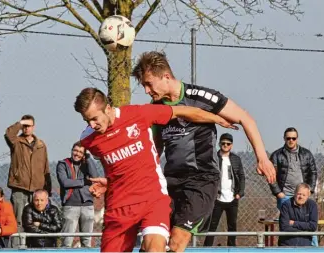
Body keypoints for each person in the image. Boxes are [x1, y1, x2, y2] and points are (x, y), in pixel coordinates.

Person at [131, 51, 276, 252]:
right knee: (150, 244)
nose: (146, 90)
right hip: (170, 181)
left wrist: (262, 158)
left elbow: (245, 118)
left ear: (165, 77)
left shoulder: (201, 97)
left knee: (176, 241)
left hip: (201, 180)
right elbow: (155, 147)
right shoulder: (157, 107)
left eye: (149, 84)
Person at [74, 87, 237, 252]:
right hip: (120, 207)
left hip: (152, 198)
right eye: (87, 121)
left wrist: (217, 119)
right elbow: (120, 164)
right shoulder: (88, 139)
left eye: (95, 119)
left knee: (155, 249)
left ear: (108, 108)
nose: (92, 125)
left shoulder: (137, 114)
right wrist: (109, 181)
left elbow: (181, 111)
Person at [4, 115, 52, 247]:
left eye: (28, 125)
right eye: (24, 126)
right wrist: (19, 123)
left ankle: (36, 247)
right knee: (18, 219)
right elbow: (8, 134)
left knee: (36, 220)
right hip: (20, 186)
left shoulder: (41, 145)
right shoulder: (16, 142)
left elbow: (45, 166)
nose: (26, 128)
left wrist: (47, 189)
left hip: (37, 188)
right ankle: (16, 247)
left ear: (33, 127)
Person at [204, 133, 245, 247]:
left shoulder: (236, 159)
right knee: (212, 225)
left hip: (232, 198)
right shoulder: (214, 158)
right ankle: (207, 249)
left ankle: (232, 248)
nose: (225, 145)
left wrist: (240, 193)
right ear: (219, 144)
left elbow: (241, 176)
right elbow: (207, 175)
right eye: (223, 143)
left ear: (231, 145)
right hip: (217, 198)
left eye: (228, 143)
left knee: (232, 225)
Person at [56, 142, 99, 248]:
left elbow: (95, 176)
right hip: (70, 205)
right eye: (75, 150)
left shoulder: (87, 164)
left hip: (87, 205)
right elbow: (65, 182)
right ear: (71, 150)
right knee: (67, 242)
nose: (77, 154)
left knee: (87, 242)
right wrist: (84, 181)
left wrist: (88, 157)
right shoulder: (63, 164)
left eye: (80, 152)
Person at [269, 127, 317, 210]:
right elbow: (270, 175)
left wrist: (310, 190)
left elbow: (313, 172)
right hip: (285, 196)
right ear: (284, 138)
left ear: (297, 139)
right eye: (288, 138)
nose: (291, 140)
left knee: (302, 222)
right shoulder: (276, 155)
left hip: (302, 195)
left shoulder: (307, 154)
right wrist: (278, 193)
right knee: (286, 222)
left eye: (293, 138)